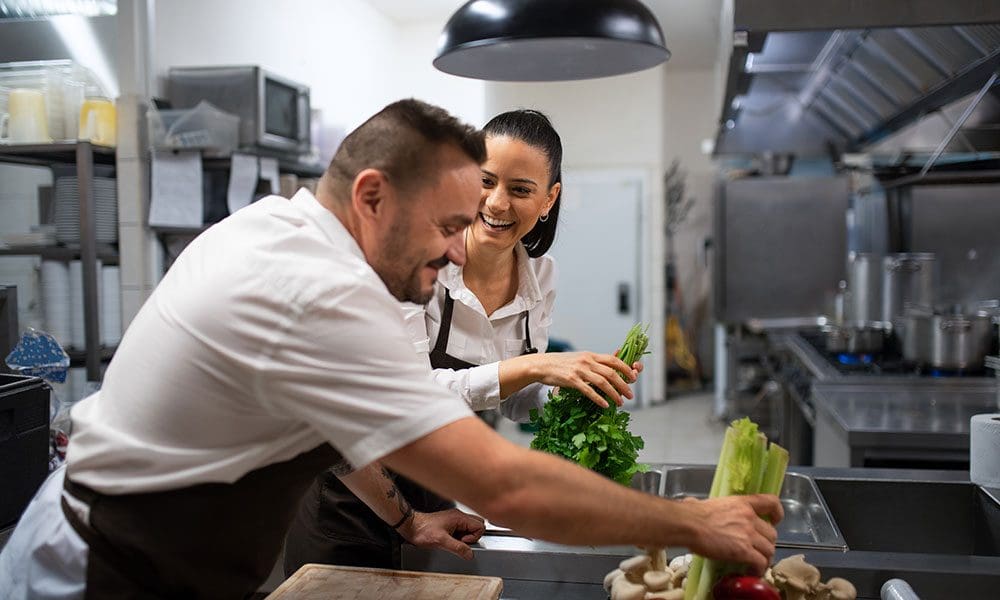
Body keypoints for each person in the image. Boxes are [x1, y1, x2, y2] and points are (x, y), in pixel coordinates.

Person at [0, 99, 782, 600]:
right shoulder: (318, 293)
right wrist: (691, 524)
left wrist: (407, 523)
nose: (455, 254)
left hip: (143, 553)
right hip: (100, 575)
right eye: (449, 226)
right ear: (372, 196)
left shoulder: (290, 234)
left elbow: (348, 426)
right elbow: (503, 484)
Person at [284, 108, 646, 572]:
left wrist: (574, 384)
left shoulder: (540, 278)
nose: (496, 203)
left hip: (435, 483)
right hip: (351, 502)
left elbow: (515, 403)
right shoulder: (420, 262)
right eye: (486, 181)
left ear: (549, 199)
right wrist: (536, 366)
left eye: (520, 190)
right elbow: (411, 398)